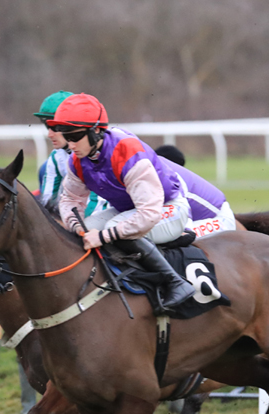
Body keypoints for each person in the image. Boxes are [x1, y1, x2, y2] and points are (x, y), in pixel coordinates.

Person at [47, 93, 195, 311]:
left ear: (96, 131)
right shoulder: (77, 160)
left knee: (110, 229)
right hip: (131, 210)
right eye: (66, 137)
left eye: (75, 137)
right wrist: (77, 227)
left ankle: (176, 282)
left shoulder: (127, 152)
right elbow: (71, 199)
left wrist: (103, 236)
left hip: (166, 208)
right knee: (86, 229)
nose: (70, 145)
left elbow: (148, 214)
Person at [33, 91, 110, 216]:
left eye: (56, 128)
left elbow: (97, 206)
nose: (49, 134)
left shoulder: (100, 153)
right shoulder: (56, 157)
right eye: (47, 126)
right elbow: (48, 203)